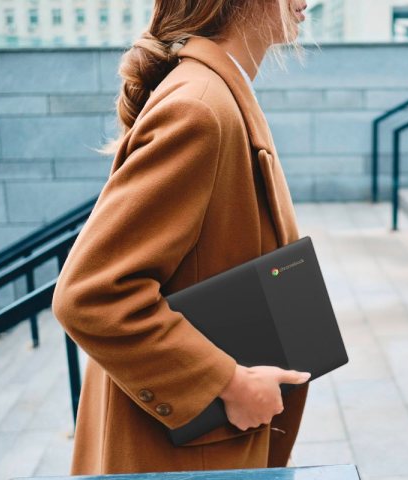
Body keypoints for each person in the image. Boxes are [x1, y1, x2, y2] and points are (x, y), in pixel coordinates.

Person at [51, 0, 312, 474]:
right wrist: (228, 383)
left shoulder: (216, 93)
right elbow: (90, 295)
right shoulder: (200, 110)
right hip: (178, 452)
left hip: (196, 443)